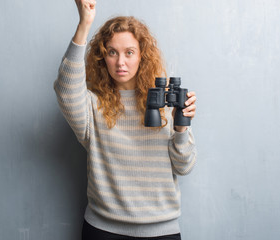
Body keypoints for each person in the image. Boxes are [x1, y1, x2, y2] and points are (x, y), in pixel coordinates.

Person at [54, 1, 197, 239]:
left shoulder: (163, 103)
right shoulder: (93, 106)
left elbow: (184, 166)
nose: (121, 62)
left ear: (142, 56)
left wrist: (181, 128)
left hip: (161, 230)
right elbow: (66, 90)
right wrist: (84, 24)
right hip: (103, 229)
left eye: (129, 52)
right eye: (112, 52)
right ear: (103, 57)